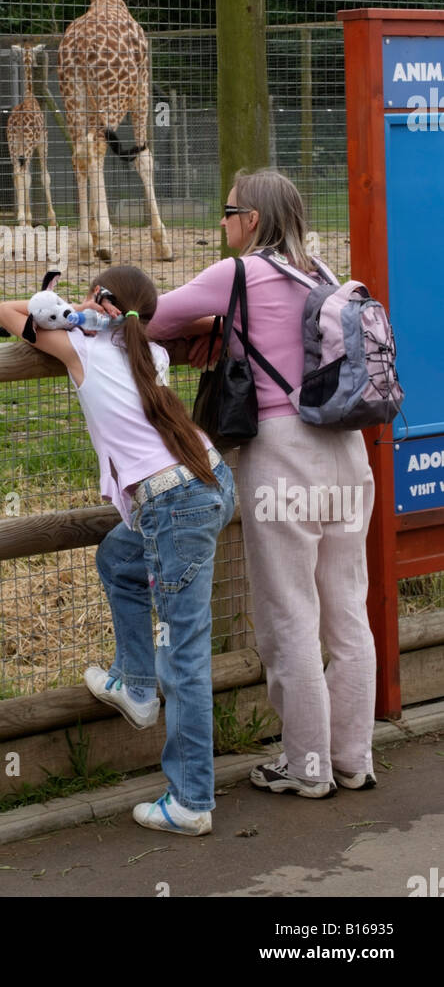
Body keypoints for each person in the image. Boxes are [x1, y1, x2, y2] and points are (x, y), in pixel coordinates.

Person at [146, 168, 377, 797]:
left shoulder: (238, 275)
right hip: (349, 455)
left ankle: (306, 767)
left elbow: (149, 319)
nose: (221, 223)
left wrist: (198, 329)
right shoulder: (326, 275)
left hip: (283, 454)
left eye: (227, 211)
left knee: (289, 616)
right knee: (348, 612)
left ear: (251, 220)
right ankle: (353, 758)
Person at [0, 265, 236, 837]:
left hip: (174, 505)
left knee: (184, 651)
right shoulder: (150, 355)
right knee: (118, 559)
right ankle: (134, 683)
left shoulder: (80, 349)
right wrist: (92, 318)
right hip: (209, 482)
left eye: (87, 294)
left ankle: (192, 800)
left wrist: (71, 318)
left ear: (101, 302)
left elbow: (9, 313)